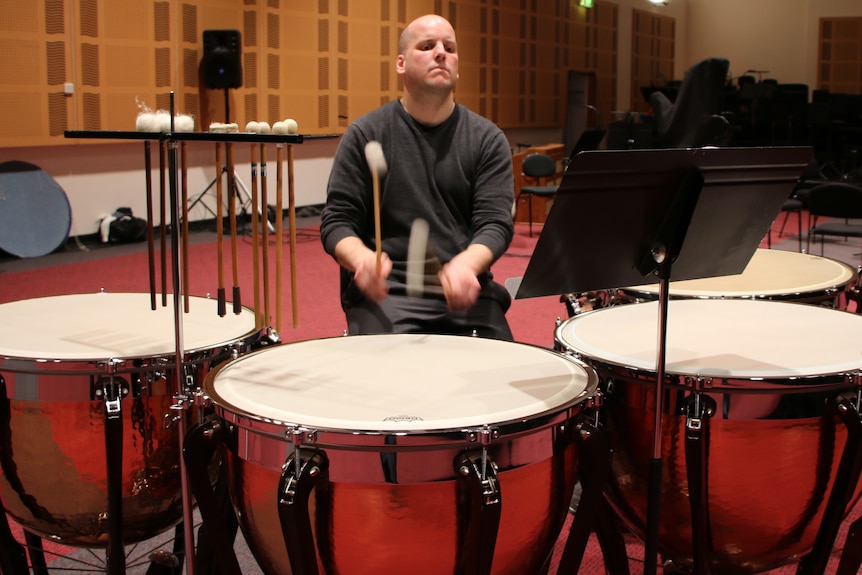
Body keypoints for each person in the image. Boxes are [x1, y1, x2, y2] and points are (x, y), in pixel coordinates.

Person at [319, 13, 515, 340]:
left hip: (467, 292)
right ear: (400, 63)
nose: (440, 53)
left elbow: (495, 223)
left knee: (503, 379)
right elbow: (337, 220)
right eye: (427, 46)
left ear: (457, 66)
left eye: (449, 48)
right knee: (391, 381)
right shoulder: (366, 134)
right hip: (389, 292)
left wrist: (467, 264)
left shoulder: (487, 139)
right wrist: (362, 259)